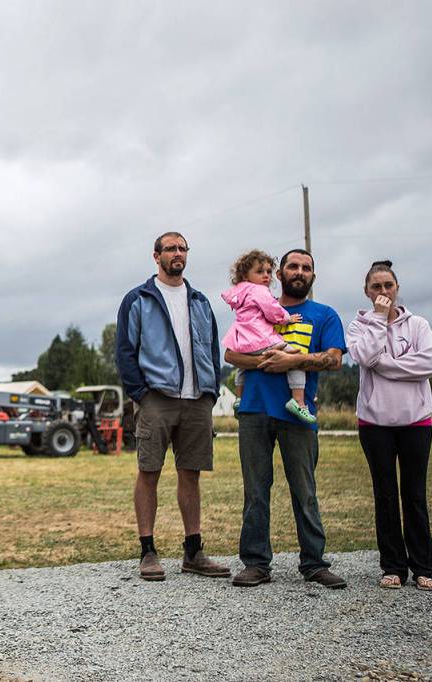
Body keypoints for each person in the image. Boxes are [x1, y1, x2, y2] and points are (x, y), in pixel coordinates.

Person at [225, 248, 348, 589]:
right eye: (292, 266)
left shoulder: (324, 315)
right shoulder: (257, 305)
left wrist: (292, 362)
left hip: (299, 414)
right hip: (254, 410)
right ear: (279, 274)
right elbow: (231, 353)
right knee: (256, 491)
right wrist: (268, 361)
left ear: (312, 276)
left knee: (305, 491)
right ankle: (255, 563)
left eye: (306, 268)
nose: (299, 272)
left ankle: (314, 563)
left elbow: (334, 360)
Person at [115, 231, 228, 581]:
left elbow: (211, 348)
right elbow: (124, 351)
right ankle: (147, 550)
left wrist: (211, 392)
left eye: (182, 248)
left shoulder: (200, 301)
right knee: (149, 472)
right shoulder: (139, 299)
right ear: (156, 256)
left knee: (190, 474)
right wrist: (141, 394)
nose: (177, 254)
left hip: (197, 400)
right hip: (157, 399)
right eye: (170, 249)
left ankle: (193, 551)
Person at [346, 260, 432, 591]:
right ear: (367, 292)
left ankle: (424, 567)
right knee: (385, 494)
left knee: (414, 493)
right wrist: (378, 322)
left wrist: (386, 366)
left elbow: (429, 363)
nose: (383, 292)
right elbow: (365, 356)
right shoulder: (359, 326)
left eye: (388, 285)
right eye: (376, 287)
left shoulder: (419, 325)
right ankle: (393, 566)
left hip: (416, 421)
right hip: (375, 422)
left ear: (397, 287)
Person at [221, 249, 315, 424]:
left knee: (242, 368)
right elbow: (273, 311)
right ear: (245, 275)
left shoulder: (240, 291)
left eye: (268, 272)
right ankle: (298, 401)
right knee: (295, 359)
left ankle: (239, 398)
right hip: (261, 338)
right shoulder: (260, 291)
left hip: (242, 339)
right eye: (259, 271)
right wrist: (287, 318)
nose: (266, 276)